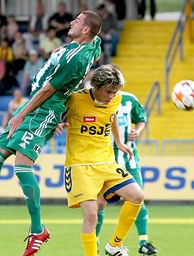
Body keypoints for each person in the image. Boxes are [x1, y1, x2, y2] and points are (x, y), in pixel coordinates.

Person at [0, 10, 103, 256]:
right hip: (39, 107)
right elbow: (96, 43)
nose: (71, 22)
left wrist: (25, 113)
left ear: (86, 29)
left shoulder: (75, 58)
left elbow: (48, 90)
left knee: (22, 165)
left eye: (76, 21)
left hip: (42, 108)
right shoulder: (90, 45)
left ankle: (38, 230)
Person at [63, 64, 144, 256]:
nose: (111, 96)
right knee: (92, 215)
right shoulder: (75, 99)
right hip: (79, 165)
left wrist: (119, 141)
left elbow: (112, 116)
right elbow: (57, 115)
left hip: (106, 162)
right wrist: (58, 123)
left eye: (114, 92)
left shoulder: (116, 100)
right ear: (96, 86)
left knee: (137, 196)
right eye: (108, 91)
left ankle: (114, 245)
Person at [94, 90, 158, 255]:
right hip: (104, 160)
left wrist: (137, 130)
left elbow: (141, 119)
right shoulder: (94, 97)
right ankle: (95, 240)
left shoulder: (129, 99)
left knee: (138, 199)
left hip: (129, 160)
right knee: (99, 203)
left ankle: (143, 242)